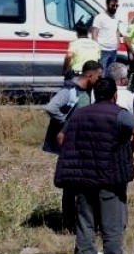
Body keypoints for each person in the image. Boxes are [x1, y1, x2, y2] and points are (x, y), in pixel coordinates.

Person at [54, 77, 134, 254]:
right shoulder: (119, 114)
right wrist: (128, 151)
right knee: (112, 224)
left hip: (83, 177)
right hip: (110, 178)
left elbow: (61, 137)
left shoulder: (79, 114)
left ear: (94, 95)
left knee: (85, 222)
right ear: (115, 95)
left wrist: (77, 154)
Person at [43, 61, 104, 232]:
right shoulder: (69, 91)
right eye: (99, 76)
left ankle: (85, 219)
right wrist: (66, 123)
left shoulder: (90, 91)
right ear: (90, 75)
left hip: (86, 144)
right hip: (70, 144)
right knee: (70, 184)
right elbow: (50, 107)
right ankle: (68, 222)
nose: (101, 79)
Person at [91, 0, 125, 73]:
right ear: (107, 5)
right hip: (103, 50)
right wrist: (96, 48)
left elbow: (117, 31)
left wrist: (118, 43)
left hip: (113, 50)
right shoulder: (99, 17)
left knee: (111, 73)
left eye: (117, 6)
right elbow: (94, 33)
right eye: (113, 5)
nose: (115, 7)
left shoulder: (116, 18)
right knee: (101, 73)